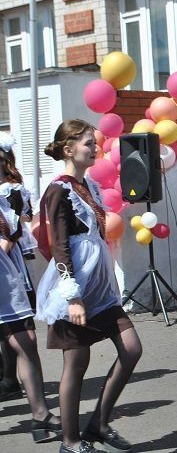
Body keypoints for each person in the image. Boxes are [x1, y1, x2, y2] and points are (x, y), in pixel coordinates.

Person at [36, 119, 143, 453]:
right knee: (77, 364)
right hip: (75, 292)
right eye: (87, 143)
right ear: (68, 149)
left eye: (95, 143)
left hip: (100, 290)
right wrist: (72, 296)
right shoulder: (59, 190)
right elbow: (60, 245)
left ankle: (98, 421)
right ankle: (70, 442)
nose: (95, 148)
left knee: (131, 349)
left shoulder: (90, 186)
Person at [0, 132, 62, 443]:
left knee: (25, 340)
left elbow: (13, 228)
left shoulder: (9, 192)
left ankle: (40, 416)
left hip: (6, 276)